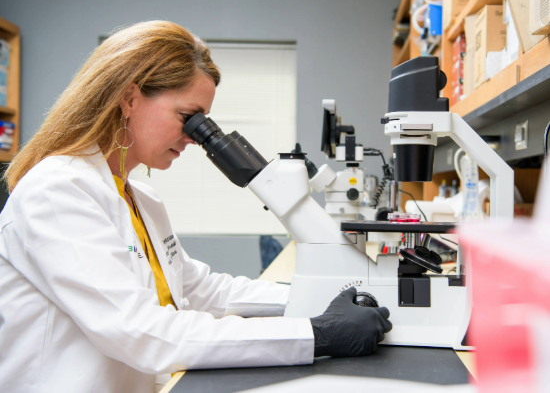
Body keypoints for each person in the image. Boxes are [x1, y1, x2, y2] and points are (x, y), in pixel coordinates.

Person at [0, 21, 392, 393]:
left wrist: (320, 297)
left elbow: (202, 289)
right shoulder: (57, 192)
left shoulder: (140, 200)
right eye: (188, 118)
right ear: (129, 97)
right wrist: (316, 332)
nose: (194, 137)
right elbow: (140, 331)